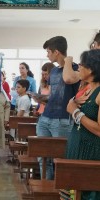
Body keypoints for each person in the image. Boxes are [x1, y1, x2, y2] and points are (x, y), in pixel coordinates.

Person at [32, 36, 80, 180]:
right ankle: (46, 188)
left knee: (59, 159)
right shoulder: (53, 72)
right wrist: (40, 98)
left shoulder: (75, 68)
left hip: (62, 120)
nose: (47, 55)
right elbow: (54, 95)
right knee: (42, 158)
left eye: (48, 51)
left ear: (57, 52)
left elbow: (74, 92)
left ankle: (60, 192)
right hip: (45, 117)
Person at [66, 49, 100, 200]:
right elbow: (71, 105)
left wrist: (75, 112)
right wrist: (72, 103)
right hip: (77, 148)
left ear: (92, 68)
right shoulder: (86, 87)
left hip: (91, 152)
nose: (78, 67)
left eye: (81, 64)